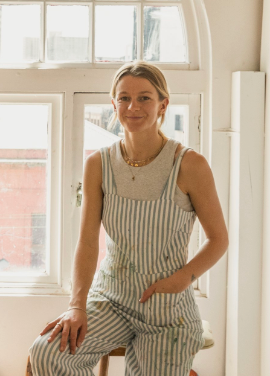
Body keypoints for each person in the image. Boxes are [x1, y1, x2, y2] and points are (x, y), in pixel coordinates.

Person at [29, 61, 229, 376]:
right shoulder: (99, 164)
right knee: (47, 354)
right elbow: (86, 241)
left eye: (144, 98)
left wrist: (183, 279)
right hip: (111, 300)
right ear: (114, 104)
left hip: (167, 309)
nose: (133, 106)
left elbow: (219, 239)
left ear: (163, 104)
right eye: (124, 98)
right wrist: (76, 305)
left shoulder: (190, 165)